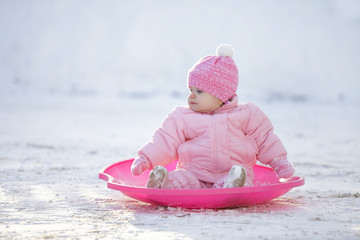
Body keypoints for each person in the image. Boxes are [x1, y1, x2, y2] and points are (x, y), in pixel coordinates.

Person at [131, 44, 295, 189]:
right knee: (181, 180)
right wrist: (146, 159)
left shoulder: (247, 114)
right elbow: (166, 139)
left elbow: (265, 138)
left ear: (221, 94)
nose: (192, 96)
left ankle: (233, 186)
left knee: (239, 178)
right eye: (191, 91)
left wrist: (278, 161)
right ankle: (163, 183)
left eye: (199, 91)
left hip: (231, 173)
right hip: (194, 175)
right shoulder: (184, 117)